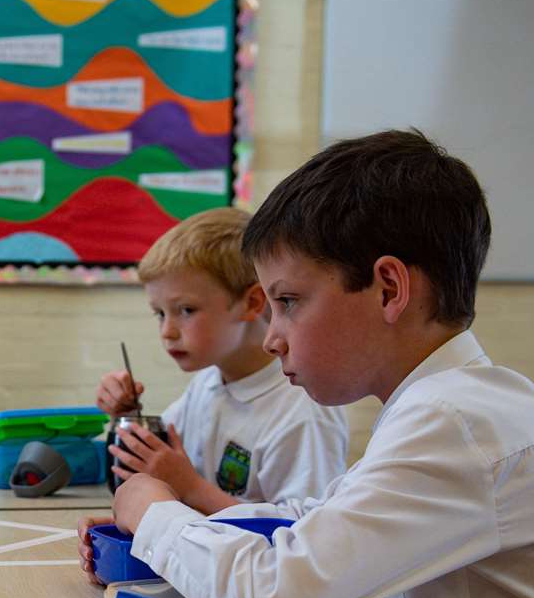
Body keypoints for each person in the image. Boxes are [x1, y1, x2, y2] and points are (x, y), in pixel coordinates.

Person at [91, 130, 534, 598]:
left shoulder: (457, 421)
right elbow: (312, 518)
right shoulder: (445, 403)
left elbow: (274, 596)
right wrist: (175, 531)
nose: (273, 338)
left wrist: (154, 513)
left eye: (290, 302)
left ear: (390, 289)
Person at [96, 207, 348, 511]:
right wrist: (128, 415)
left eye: (186, 310)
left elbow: (306, 532)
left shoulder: (304, 408)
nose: (167, 332)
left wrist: (189, 487)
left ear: (252, 303)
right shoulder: (207, 384)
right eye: (160, 313)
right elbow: (157, 461)